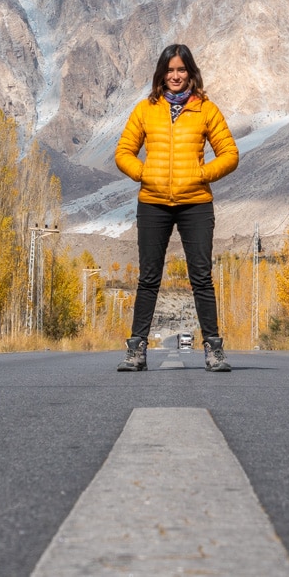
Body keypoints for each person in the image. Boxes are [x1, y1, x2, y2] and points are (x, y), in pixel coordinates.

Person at [113, 43, 239, 372]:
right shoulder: (145, 109)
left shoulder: (206, 110)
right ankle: (136, 350)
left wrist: (202, 174)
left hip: (196, 204)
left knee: (201, 277)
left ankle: (213, 349)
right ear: (161, 74)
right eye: (170, 70)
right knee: (148, 278)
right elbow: (123, 152)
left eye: (181, 70)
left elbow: (229, 154)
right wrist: (144, 174)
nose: (175, 76)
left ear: (191, 73)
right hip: (153, 203)